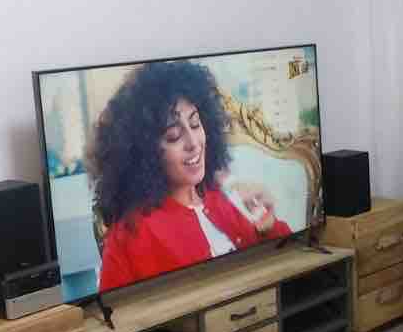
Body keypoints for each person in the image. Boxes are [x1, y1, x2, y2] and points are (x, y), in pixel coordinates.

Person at [89, 59, 291, 293]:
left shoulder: (226, 197)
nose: (194, 143)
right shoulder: (129, 236)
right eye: (174, 136)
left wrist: (269, 227)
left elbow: (294, 258)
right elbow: (117, 311)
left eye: (195, 124)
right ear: (146, 153)